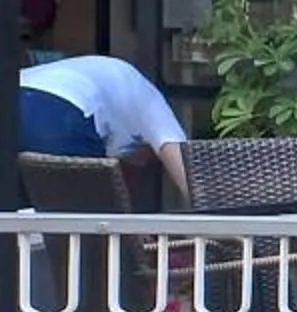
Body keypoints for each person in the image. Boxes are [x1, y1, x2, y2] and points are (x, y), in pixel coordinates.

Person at [19, 53, 188, 204]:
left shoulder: (113, 84)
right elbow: (188, 176)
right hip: (62, 107)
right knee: (88, 223)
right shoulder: (153, 105)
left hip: (14, 94)